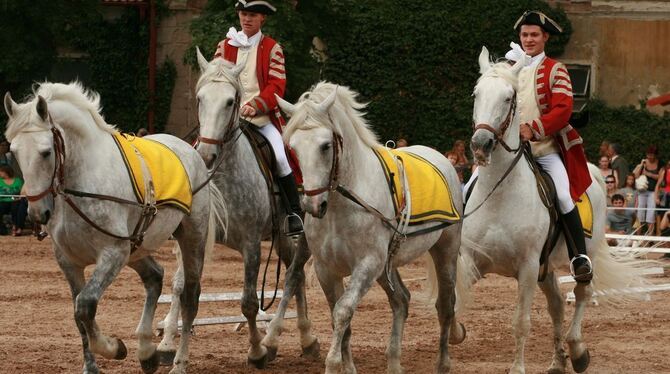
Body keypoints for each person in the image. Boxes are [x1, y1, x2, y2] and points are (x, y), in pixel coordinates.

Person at [513, 10, 593, 282]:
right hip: (511, 152)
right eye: (525, 34)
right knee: (473, 186)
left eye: (534, 34)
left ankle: (579, 257)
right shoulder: (508, 66)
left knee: (562, 196)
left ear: (545, 37)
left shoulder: (555, 69)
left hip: (544, 150)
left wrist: (532, 129)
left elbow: (562, 110)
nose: (529, 39)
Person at [214, 0, 303, 236]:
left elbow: (276, 86)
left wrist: (256, 104)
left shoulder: (272, 48)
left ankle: (294, 213)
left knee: (282, 157)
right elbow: (215, 80)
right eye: (243, 14)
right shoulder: (224, 46)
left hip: (261, 120)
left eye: (252, 15)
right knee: (199, 150)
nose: (246, 19)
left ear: (262, 18)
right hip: (227, 118)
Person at [633, 145, 660, 235]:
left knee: (651, 215)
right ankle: (638, 238)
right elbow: (635, 176)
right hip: (642, 191)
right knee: (639, 214)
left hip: (653, 192)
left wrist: (648, 173)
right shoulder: (643, 163)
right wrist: (641, 165)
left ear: (656, 155)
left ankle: (649, 239)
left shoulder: (660, 163)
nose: (650, 157)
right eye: (648, 154)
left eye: (652, 155)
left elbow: (660, 177)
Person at [0, 165, 27, 236]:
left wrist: (15, 198)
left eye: (1, 172)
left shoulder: (18, 181)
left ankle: (16, 227)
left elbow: (21, 193)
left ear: (6, 172)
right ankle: (2, 230)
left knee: (16, 207)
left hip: (15, 200)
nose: (0, 173)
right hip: (2, 201)